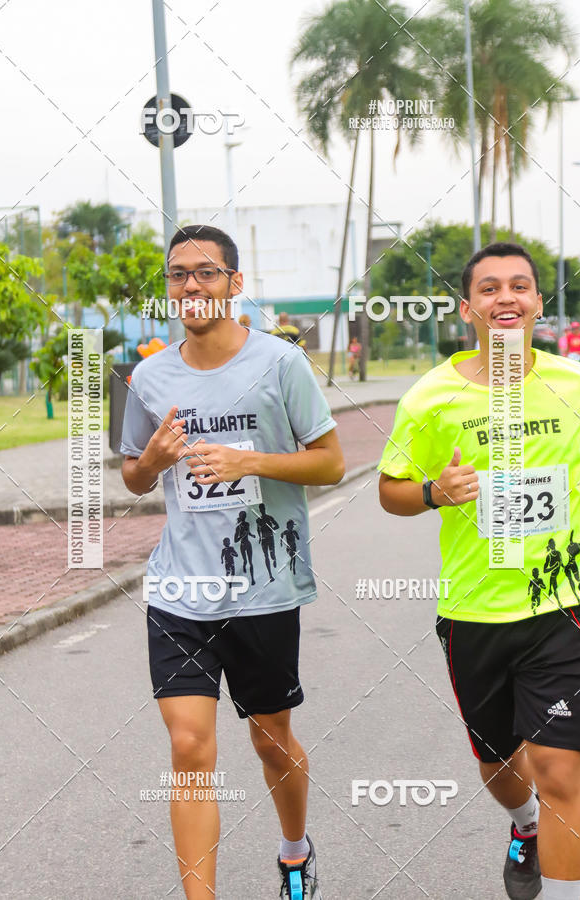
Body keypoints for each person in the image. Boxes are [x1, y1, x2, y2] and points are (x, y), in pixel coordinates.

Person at [120, 224, 344, 900]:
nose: (192, 284)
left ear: (234, 284)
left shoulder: (279, 364)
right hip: (180, 590)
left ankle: (295, 851)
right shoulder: (149, 377)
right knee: (190, 748)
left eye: (207, 272)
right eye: (179, 273)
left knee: (271, 741)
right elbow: (133, 475)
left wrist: (250, 460)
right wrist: (153, 463)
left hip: (264, 590)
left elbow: (331, 462)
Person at [378, 242, 580, 900]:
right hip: (473, 613)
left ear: (537, 303)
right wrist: (433, 493)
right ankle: (522, 825)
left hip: (564, 605)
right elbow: (392, 489)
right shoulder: (430, 398)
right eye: (492, 288)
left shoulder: (578, 385)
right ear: (468, 307)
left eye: (521, 287)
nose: (507, 298)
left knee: (561, 768)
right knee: (500, 765)